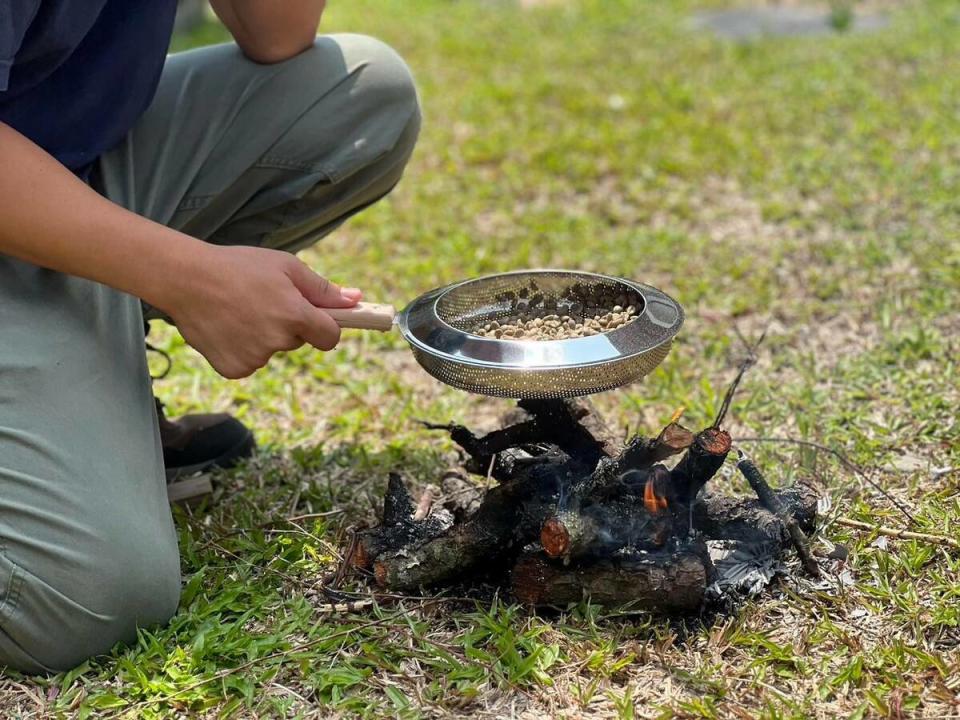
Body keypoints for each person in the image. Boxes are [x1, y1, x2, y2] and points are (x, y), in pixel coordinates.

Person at [0, 0, 420, 673]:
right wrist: (188, 276)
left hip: (56, 163)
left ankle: (86, 372)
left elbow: (280, 35)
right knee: (88, 595)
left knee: (363, 97)